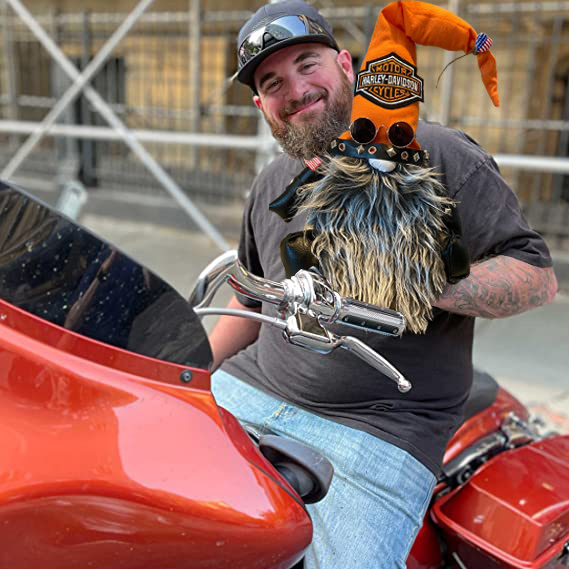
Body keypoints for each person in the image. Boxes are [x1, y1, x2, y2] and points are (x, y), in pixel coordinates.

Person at [209, 1, 558, 567]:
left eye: (307, 63)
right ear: (261, 107)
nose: (295, 89)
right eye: (272, 83)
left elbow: (536, 277)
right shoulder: (272, 183)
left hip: (377, 432)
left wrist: (420, 279)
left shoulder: (438, 154)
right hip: (247, 392)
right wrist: (182, 370)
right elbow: (248, 297)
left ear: (347, 66)